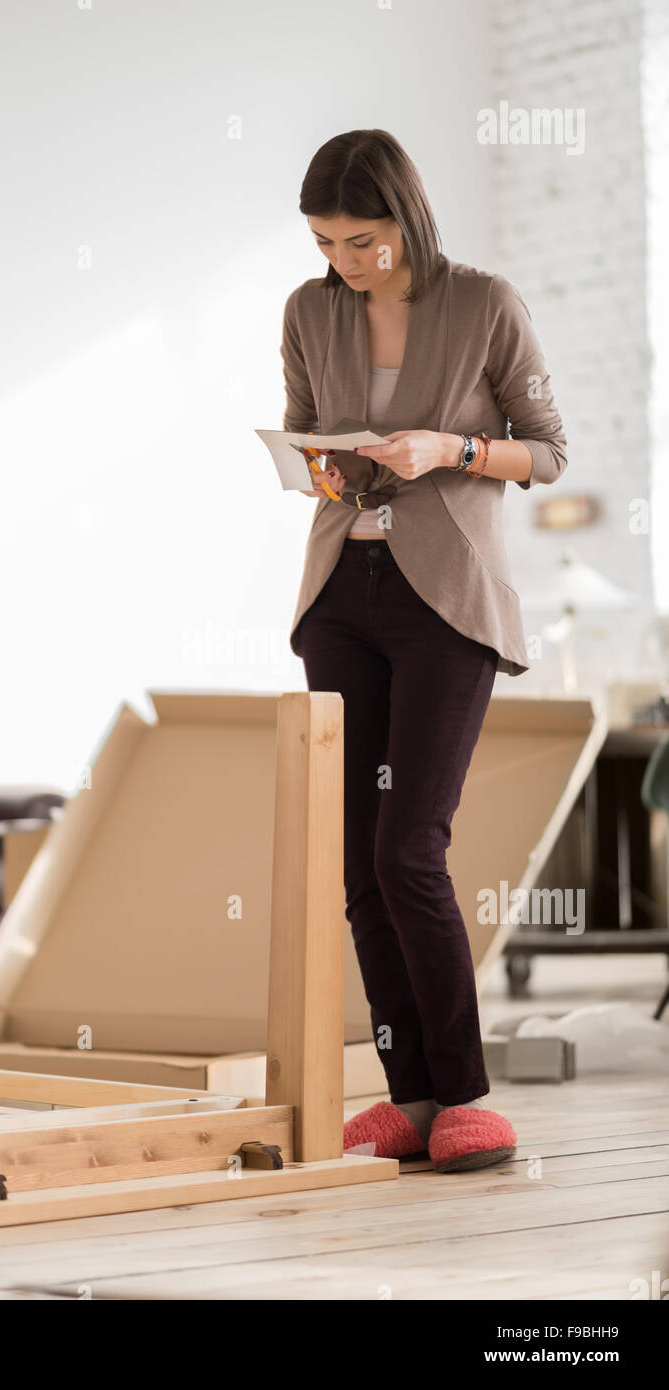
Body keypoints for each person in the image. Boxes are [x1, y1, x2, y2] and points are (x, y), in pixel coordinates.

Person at [281, 129, 568, 1174]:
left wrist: (449, 448)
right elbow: (307, 430)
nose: (345, 263)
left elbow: (547, 449)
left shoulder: (485, 303)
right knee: (358, 861)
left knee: (411, 847)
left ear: (406, 216)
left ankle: (469, 1095)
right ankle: (409, 1097)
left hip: (446, 601)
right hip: (340, 594)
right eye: (325, 242)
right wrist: (322, 465)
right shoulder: (309, 310)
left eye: (363, 241)